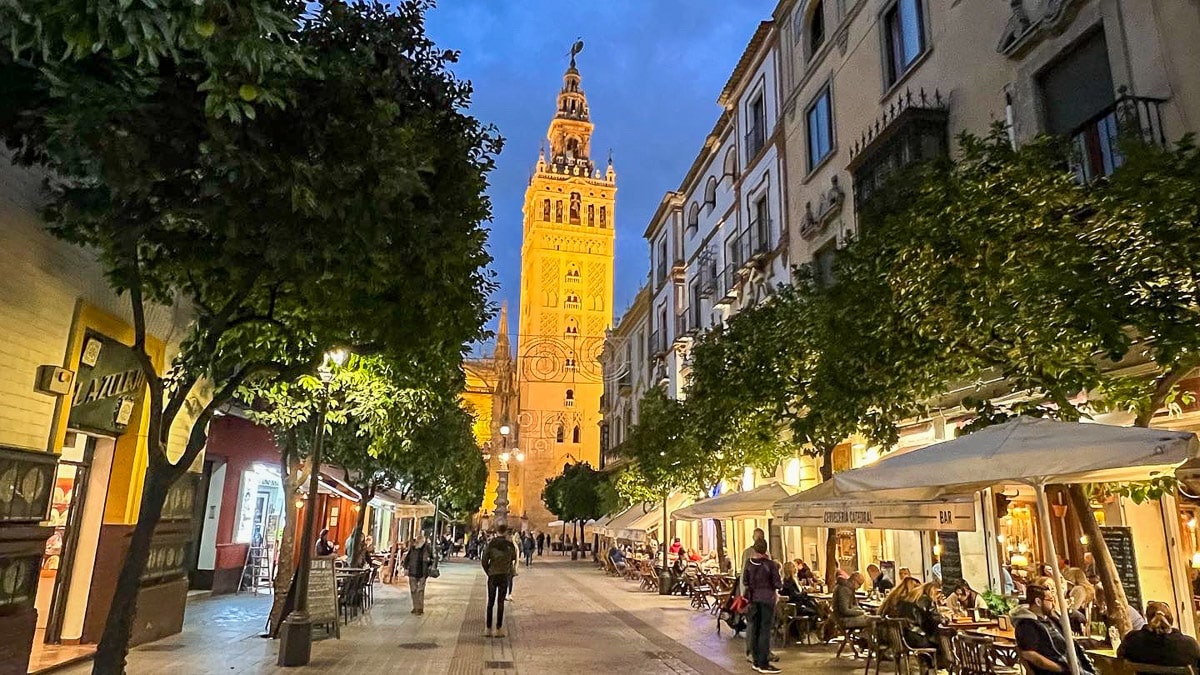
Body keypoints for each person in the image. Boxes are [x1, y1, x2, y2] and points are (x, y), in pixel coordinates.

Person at [1013, 583, 1096, 675]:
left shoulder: (1051, 619)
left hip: (1075, 668)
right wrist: (1062, 669)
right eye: (1050, 600)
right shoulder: (1027, 625)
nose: (1053, 603)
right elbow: (1029, 655)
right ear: (1038, 602)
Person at [1119, 601, 1200, 673]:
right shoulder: (1190, 645)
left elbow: (1120, 659)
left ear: (1147, 618)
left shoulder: (1131, 641)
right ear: (1171, 619)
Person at [744, 540, 782, 674]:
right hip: (767, 600)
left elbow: (745, 581)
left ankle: (755, 660)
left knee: (755, 628)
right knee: (765, 631)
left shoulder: (749, 563)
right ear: (766, 550)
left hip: (753, 600)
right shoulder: (770, 564)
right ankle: (763, 663)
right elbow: (777, 583)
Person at [481, 524, 519, 637]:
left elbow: (484, 559)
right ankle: (499, 628)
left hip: (493, 575)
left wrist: (488, 571)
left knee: (490, 602)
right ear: (505, 531)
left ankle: (488, 628)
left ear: (497, 531)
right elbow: (513, 557)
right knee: (500, 602)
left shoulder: (491, 544)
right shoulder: (509, 545)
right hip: (504, 575)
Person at [401, 532, 435, 615]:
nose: (418, 541)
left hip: (423, 572)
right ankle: (415, 607)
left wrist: (430, 565)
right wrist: (405, 568)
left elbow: (433, 559)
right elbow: (407, 559)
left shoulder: (427, 548)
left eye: (420, 540)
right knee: (413, 590)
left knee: (420, 590)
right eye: (418, 540)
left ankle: (420, 608)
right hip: (412, 572)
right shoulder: (412, 548)